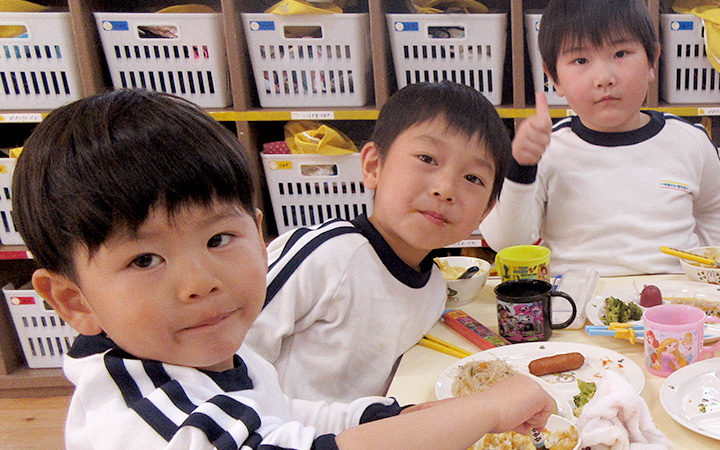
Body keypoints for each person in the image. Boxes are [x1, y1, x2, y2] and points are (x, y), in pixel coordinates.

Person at [11, 89, 554, 450]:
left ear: (256, 229)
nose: (201, 281)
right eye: (144, 259)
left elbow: (284, 417)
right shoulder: (146, 416)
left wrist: (407, 415)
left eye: (219, 239)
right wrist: (481, 412)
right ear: (75, 301)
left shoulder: (219, 356)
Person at [245, 81, 510, 402]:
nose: (446, 188)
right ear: (373, 165)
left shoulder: (434, 290)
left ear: (485, 211)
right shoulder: (327, 255)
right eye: (427, 158)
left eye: (473, 178)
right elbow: (231, 347)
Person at [478, 0, 720, 277]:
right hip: (575, 303)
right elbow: (505, 242)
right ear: (554, 78)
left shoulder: (689, 141)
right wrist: (521, 167)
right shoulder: (548, 149)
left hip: (671, 305)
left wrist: (696, 267)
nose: (604, 78)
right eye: (581, 60)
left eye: (621, 53)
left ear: (652, 61)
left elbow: (717, 208)